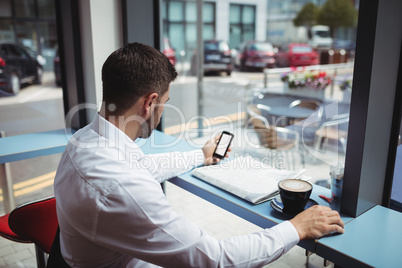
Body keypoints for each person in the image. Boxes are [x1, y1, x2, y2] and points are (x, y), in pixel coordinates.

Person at [54, 42, 344, 267]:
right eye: (165, 102)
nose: (163, 110)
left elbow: (141, 167)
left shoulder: (85, 141)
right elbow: (216, 260)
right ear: (149, 102)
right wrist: (296, 228)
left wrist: (200, 155)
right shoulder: (120, 187)